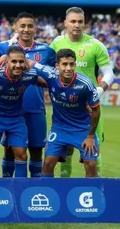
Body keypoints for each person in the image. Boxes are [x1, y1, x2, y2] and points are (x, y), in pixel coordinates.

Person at [50, 7, 114, 177]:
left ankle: (95, 190)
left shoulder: (95, 45)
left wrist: (99, 91)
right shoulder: (56, 43)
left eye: (80, 21)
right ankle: (65, 187)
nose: (76, 25)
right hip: (65, 107)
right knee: (66, 153)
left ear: (84, 24)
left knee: (93, 152)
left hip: (89, 108)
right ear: (65, 23)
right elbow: (48, 69)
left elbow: (109, 73)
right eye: (73, 21)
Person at [0, 12, 56, 178]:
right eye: (22, 26)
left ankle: (33, 190)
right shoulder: (1, 48)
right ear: (16, 28)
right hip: (10, 112)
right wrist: (5, 55)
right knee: (10, 151)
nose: (26, 29)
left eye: (29, 26)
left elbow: (53, 77)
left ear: (34, 28)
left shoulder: (46, 51)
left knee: (36, 152)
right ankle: (8, 187)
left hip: (35, 109)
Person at [32, 49, 100, 178]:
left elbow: (96, 111)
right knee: (48, 163)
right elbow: (29, 62)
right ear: (57, 66)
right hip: (59, 128)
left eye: (71, 64)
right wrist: (3, 59)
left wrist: (90, 136)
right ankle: (48, 193)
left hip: (82, 129)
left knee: (90, 164)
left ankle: (92, 195)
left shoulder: (85, 84)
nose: (68, 68)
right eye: (64, 64)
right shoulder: (50, 74)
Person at [0, 46, 47, 178]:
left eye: (21, 62)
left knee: (22, 155)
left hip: (16, 118)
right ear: (7, 62)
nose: (18, 65)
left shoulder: (29, 75)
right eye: (14, 62)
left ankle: (20, 191)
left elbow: (47, 83)